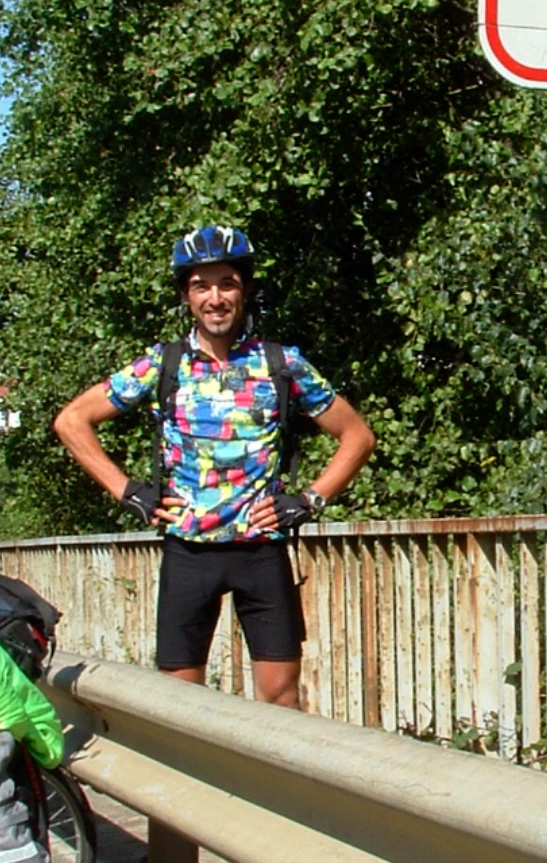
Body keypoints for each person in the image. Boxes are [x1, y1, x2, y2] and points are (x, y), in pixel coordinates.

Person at [53, 225, 375, 708]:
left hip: (261, 551)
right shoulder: (163, 365)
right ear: (187, 295)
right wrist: (127, 491)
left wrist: (309, 500)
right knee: (180, 706)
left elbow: (358, 435)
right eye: (202, 286)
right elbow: (72, 421)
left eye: (227, 283)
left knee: (282, 700)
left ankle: (275, 786)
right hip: (189, 551)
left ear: (244, 290)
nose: (216, 297)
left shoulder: (280, 364)